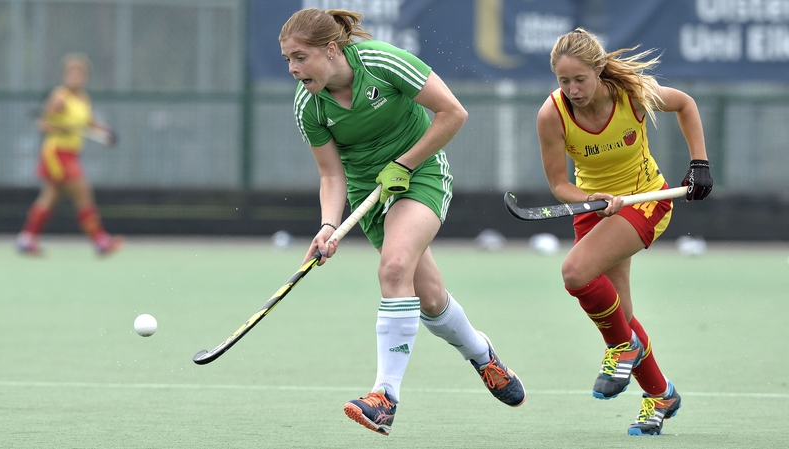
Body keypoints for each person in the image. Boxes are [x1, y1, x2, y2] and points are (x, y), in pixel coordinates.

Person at [279, 8, 526, 436]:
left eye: (300, 57)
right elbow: (331, 174)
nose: (293, 69)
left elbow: (453, 113)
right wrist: (327, 225)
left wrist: (405, 162)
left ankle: (384, 397)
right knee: (429, 299)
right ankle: (483, 355)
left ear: (331, 48)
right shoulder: (308, 105)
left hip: (420, 172)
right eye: (287, 60)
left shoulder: (382, 62)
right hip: (368, 193)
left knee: (394, 266)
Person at [536, 28, 713, 436]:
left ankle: (621, 349)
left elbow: (684, 104)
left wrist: (699, 163)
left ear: (599, 70)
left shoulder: (631, 95)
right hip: (594, 206)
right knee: (621, 315)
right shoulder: (552, 115)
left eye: (580, 79)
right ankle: (660, 394)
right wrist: (592, 196)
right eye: (564, 81)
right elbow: (560, 186)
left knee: (575, 273)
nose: (572, 89)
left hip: (644, 199)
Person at [16, 53, 124, 256]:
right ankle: (100, 241)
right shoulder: (59, 97)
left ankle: (26, 239)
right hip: (57, 153)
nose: (75, 76)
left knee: (49, 197)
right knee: (83, 192)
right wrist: (61, 130)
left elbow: (89, 124)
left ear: (85, 77)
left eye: (79, 72)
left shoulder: (83, 99)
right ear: (65, 75)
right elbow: (43, 124)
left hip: (72, 153)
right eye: (71, 72)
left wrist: (105, 132)